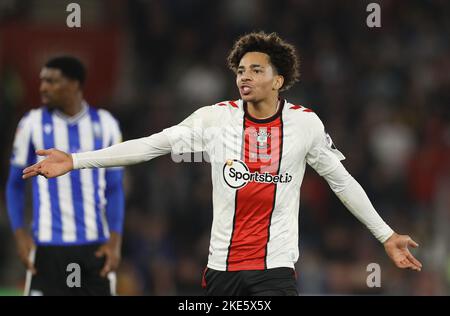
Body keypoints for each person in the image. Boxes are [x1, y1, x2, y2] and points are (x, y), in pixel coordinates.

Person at [21, 33, 422, 296]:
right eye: (240, 70)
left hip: (275, 271)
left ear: (278, 80)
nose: (244, 77)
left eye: (256, 70)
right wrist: (75, 160)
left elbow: (342, 181)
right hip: (221, 272)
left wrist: (385, 235)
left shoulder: (305, 124)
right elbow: (152, 146)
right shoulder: (215, 119)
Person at [7, 56, 124, 296]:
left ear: (74, 84)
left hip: (95, 248)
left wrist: (115, 241)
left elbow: (114, 188)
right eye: (42, 81)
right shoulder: (31, 124)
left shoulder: (106, 124)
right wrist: (19, 235)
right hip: (48, 248)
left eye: (51, 81)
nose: (42, 88)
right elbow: (14, 185)